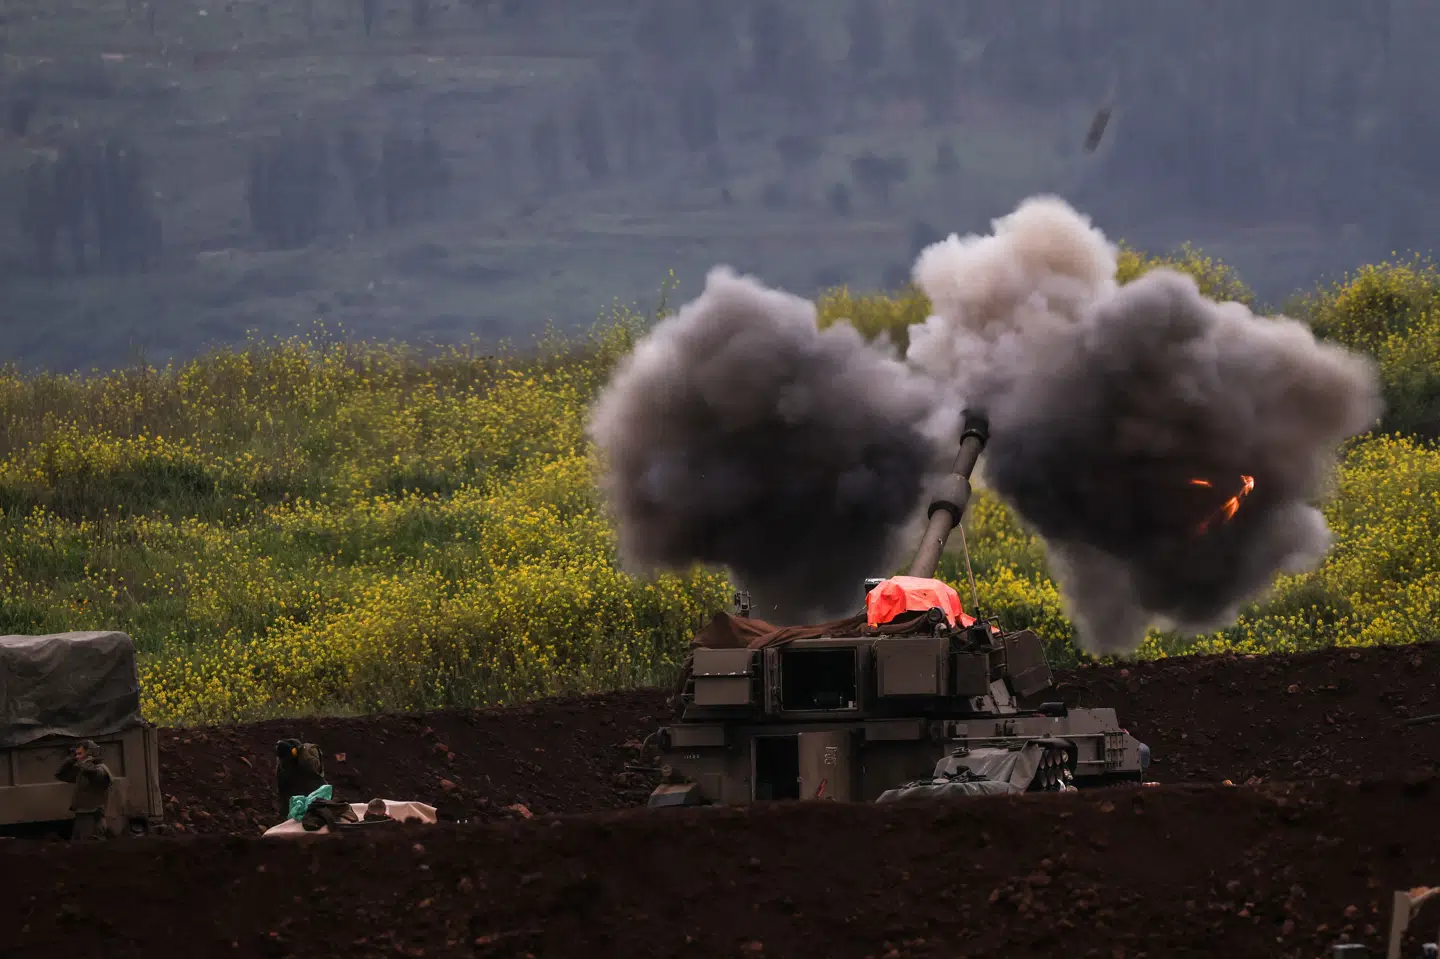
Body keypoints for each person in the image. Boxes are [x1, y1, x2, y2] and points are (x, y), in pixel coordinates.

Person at [54, 740, 113, 842]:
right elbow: (60, 775)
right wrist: (71, 759)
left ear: (90, 753)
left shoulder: (101, 770)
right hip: (82, 815)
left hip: (93, 817)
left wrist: (87, 760)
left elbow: (92, 773)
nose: (77, 757)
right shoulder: (83, 771)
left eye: (79, 754)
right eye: (76, 754)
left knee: (92, 850)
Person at [274, 738, 327, 820]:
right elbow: (282, 786)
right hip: (296, 792)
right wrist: (284, 810)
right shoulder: (283, 761)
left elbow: (315, 779)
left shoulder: (307, 758)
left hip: (313, 791)